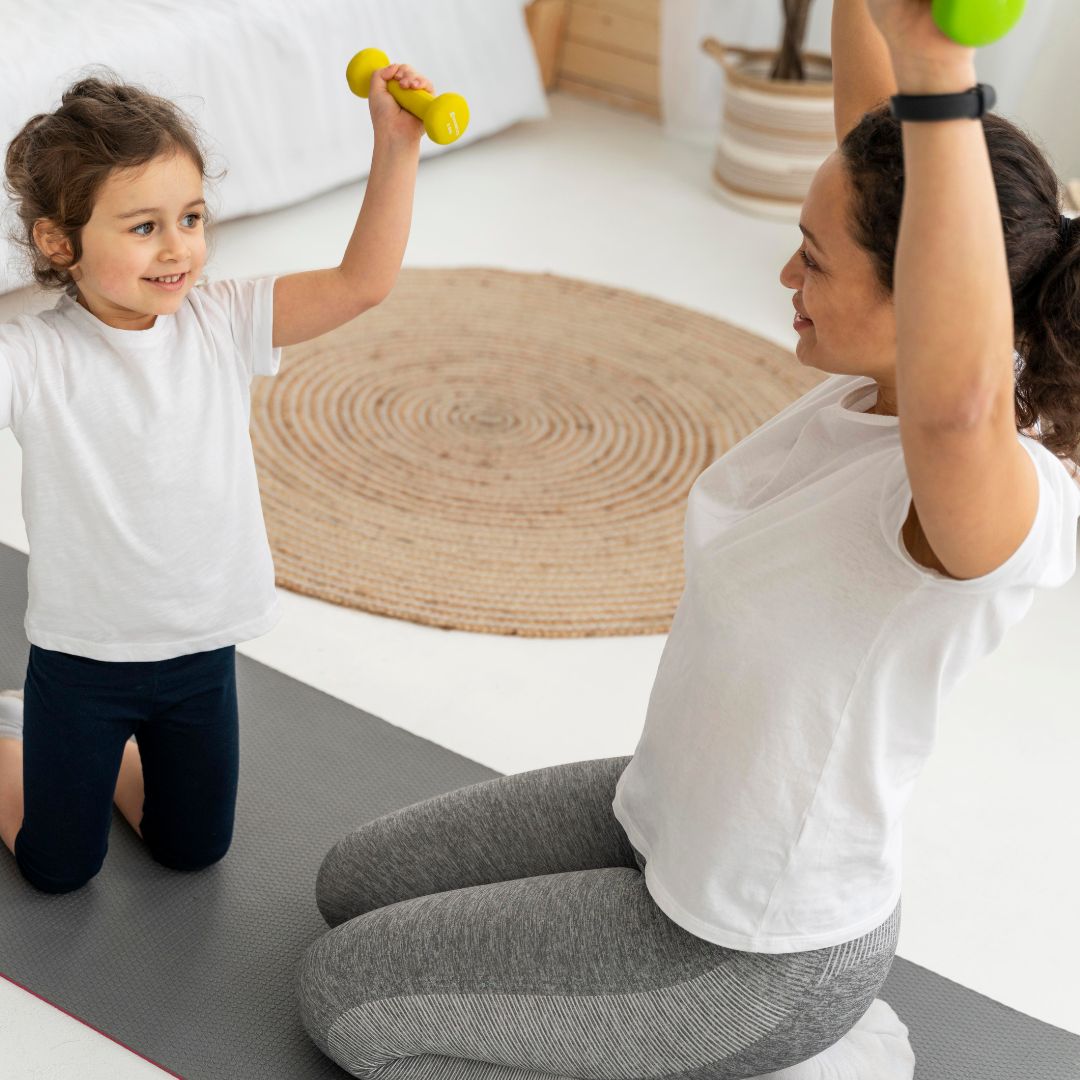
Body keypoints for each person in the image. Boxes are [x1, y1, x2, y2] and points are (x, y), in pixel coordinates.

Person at [295, 2, 1080, 1079]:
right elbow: (873, 141)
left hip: (749, 947)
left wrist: (941, 62)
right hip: (663, 814)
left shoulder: (978, 489)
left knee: (347, 1006)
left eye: (814, 261)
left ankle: (794, 1058)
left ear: (924, 304)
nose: (784, 282)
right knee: (351, 886)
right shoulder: (878, 380)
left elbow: (958, 397)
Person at [0, 59, 432, 893]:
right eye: (143, 227)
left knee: (192, 848)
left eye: (191, 217)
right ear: (61, 243)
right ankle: (13, 740)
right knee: (59, 869)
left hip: (199, 653)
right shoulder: (33, 356)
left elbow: (362, 284)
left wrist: (396, 149)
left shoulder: (222, 319)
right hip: (84, 664)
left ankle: (96, 763)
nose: (179, 248)